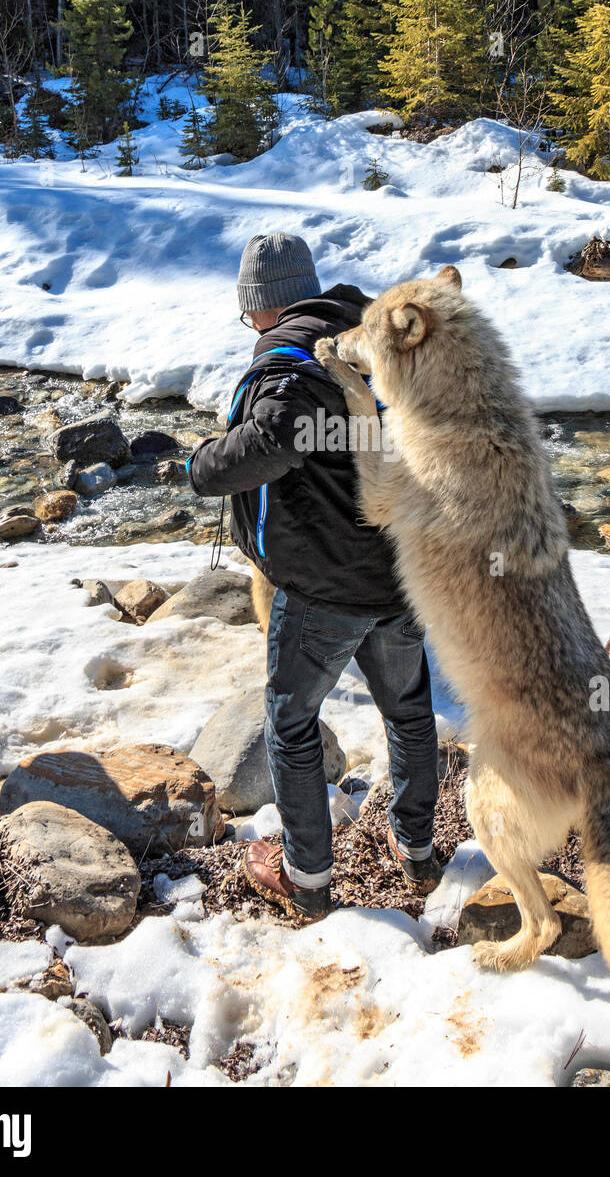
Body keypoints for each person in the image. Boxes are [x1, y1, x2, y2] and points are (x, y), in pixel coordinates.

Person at [187, 232, 440, 922]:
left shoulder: (294, 365)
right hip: (399, 569)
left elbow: (273, 440)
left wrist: (202, 465)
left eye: (248, 312)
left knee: (291, 723)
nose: (249, 324)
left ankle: (306, 876)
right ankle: (415, 847)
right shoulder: (367, 334)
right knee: (410, 711)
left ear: (262, 306)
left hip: (323, 586)